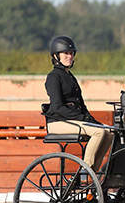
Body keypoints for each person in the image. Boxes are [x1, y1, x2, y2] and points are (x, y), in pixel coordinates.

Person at [44, 36, 114, 172]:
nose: (69, 56)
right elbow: (58, 107)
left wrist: (92, 120)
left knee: (109, 131)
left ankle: (93, 171)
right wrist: (82, 118)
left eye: (71, 53)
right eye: (66, 53)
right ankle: (85, 168)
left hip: (73, 119)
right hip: (57, 121)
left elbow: (82, 106)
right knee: (99, 132)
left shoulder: (70, 76)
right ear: (56, 55)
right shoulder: (53, 77)